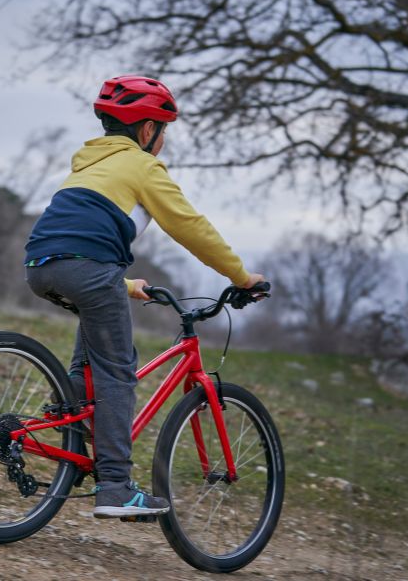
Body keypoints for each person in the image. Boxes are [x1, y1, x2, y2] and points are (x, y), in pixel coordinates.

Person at [24, 75, 264, 519]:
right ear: (148, 129)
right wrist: (241, 276)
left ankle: (73, 452)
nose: (163, 141)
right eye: (163, 131)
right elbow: (189, 226)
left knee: (89, 364)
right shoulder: (143, 166)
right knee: (118, 371)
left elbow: (80, 239)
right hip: (90, 269)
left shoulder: (87, 167)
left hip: (40, 265)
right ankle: (115, 486)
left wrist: (128, 286)